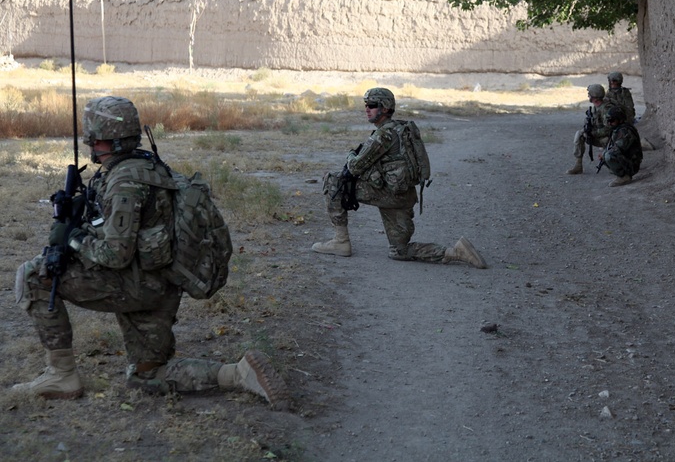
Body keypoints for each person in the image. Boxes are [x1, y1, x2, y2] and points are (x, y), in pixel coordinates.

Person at [12, 96, 289, 408]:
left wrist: (73, 237)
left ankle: (61, 374)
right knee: (148, 375)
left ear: (101, 138)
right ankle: (238, 374)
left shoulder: (123, 180)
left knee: (34, 274)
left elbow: (115, 254)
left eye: (94, 137)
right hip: (163, 283)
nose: (91, 142)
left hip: (135, 284)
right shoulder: (150, 166)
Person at [312, 87, 487, 269]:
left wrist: (350, 154)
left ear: (385, 108)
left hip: (390, 195)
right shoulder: (402, 129)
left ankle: (341, 242)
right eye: (366, 105)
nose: (367, 109)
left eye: (372, 105)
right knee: (399, 251)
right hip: (404, 195)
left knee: (334, 180)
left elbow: (355, 166)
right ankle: (455, 252)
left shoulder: (383, 135)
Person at [567, 84, 620, 175]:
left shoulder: (606, 109)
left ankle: (613, 162)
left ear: (595, 97)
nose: (588, 96)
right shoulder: (596, 106)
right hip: (600, 135)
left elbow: (609, 128)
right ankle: (578, 165)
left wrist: (594, 133)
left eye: (590, 95)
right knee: (579, 134)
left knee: (606, 142)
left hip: (611, 138)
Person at [599, 105, 643, 187]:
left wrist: (605, 153)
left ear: (619, 119)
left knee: (609, 155)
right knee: (606, 154)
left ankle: (624, 177)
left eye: (612, 120)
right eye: (608, 121)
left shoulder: (625, 131)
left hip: (633, 163)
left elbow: (619, 148)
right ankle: (620, 171)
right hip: (628, 159)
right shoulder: (617, 129)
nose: (609, 123)